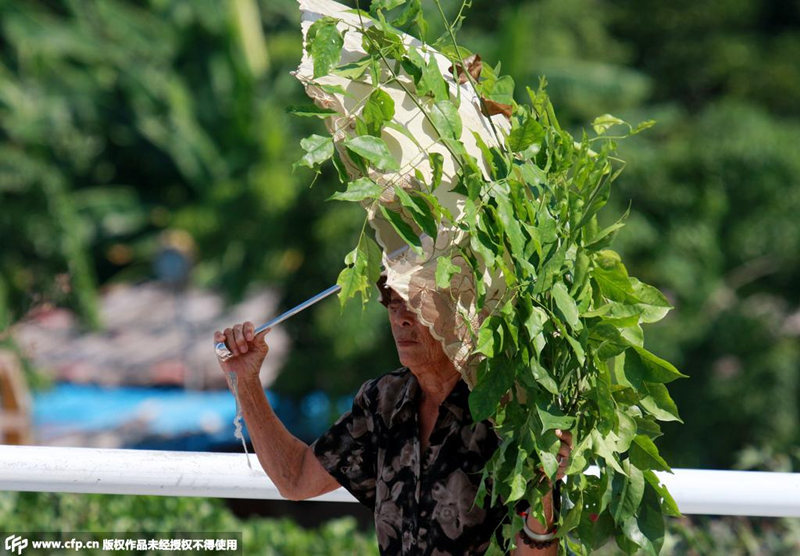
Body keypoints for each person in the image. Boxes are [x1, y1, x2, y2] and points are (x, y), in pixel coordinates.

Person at [214, 283, 572, 555]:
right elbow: (294, 479)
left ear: (459, 311)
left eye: (415, 303)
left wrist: (542, 482)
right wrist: (246, 381)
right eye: (393, 303)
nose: (400, 317)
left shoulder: (507, 408)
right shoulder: (383, 401)